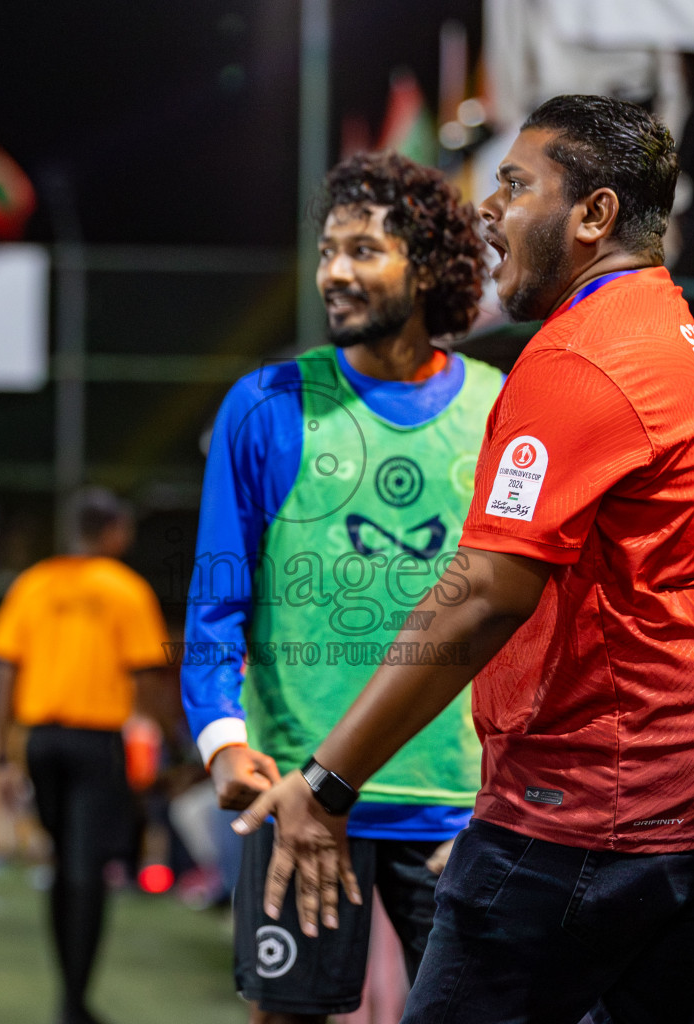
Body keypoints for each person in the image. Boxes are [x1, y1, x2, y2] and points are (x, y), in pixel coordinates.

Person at [233, 94, 694, 1024]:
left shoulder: (578, 357)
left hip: (601, 794)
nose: (486, 209)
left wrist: (330, 779)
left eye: (513, 184)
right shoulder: (672, 327)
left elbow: (484, 594)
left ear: (595, 215)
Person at [181, 150, 498, 1023]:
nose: (335, 272)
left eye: (362, 249)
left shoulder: (502, 411)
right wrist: (221, 744)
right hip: (300, 799)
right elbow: (215, 604)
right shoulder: (266, 403)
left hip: (456, 811)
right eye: (328, 251)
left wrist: (504, 796)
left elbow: (529, 617)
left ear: (428, 265)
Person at [0, 488, 170, 1024]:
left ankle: (69, 996)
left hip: (41, 740)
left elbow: (2, 666)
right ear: (112, 532)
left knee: (66, 863)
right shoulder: (126, 589)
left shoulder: (34, 583)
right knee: (88, 867)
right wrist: (156, 735)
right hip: (96, 741)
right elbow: (146, 673)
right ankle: (73, 1000)